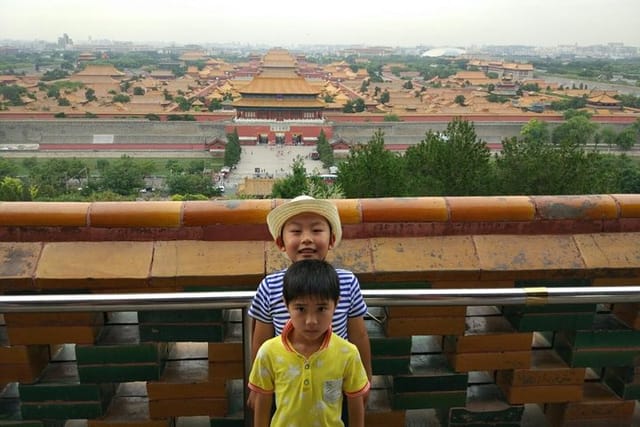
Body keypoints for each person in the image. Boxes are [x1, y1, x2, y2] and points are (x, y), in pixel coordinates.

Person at [247, 195, 372, 418]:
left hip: (335, 383)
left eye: (316, 231)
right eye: (296, 232)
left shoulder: (347, 282)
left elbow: (359, 336)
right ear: (280, 243)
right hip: (286, 387)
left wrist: (366, 379)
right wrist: (256, 387)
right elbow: (261, 341)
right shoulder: (270, 285)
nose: (306, 239)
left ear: (332, 240)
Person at [249, 259, 370, 427]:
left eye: (321, 309)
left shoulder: (348, 353)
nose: (311, 321)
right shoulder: (269, 351)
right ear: (286, 304)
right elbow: (263, 401)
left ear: (336, 304)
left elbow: (356, 403)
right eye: (301, 309)